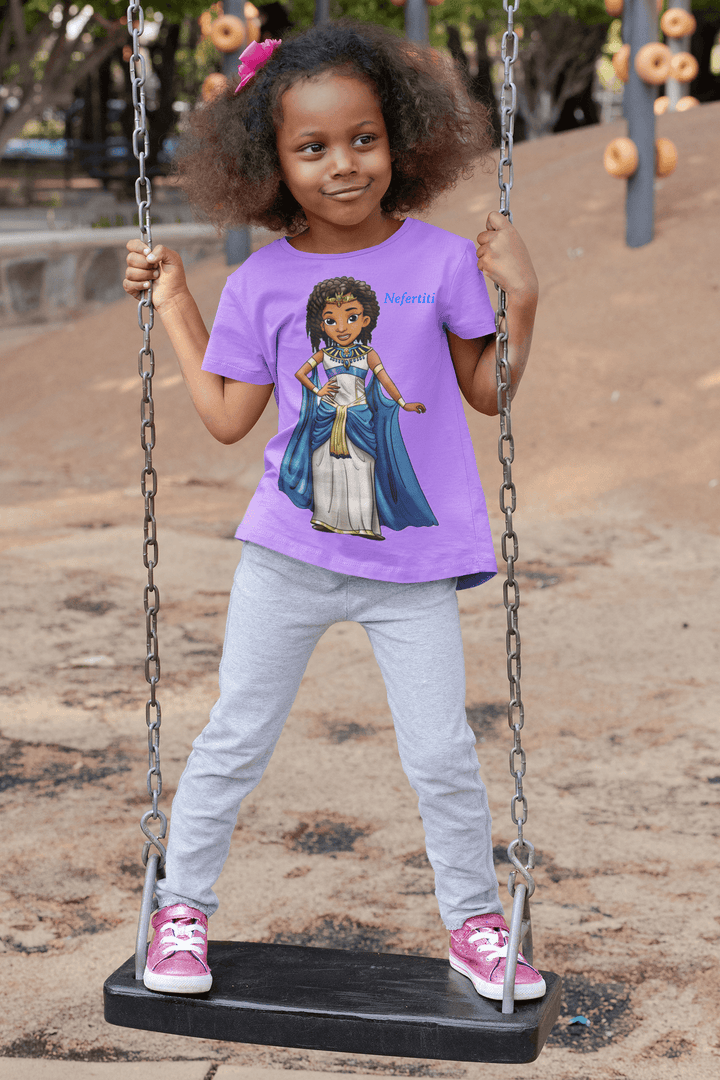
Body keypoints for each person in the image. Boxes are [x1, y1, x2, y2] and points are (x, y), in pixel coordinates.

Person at [123, 20, 542, 1003]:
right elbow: (228, 416)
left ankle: (476, 926)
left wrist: (522, 298)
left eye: (362, 138)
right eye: (311, 148)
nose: (343, 165)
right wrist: (177, 304)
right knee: (235, 737)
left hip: (414, 572)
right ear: (270, 163)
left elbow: (491, 392)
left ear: (399, 137)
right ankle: (180, 911)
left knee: (441, 752)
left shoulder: (442, 263)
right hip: (287, 558)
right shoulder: (263, 280)